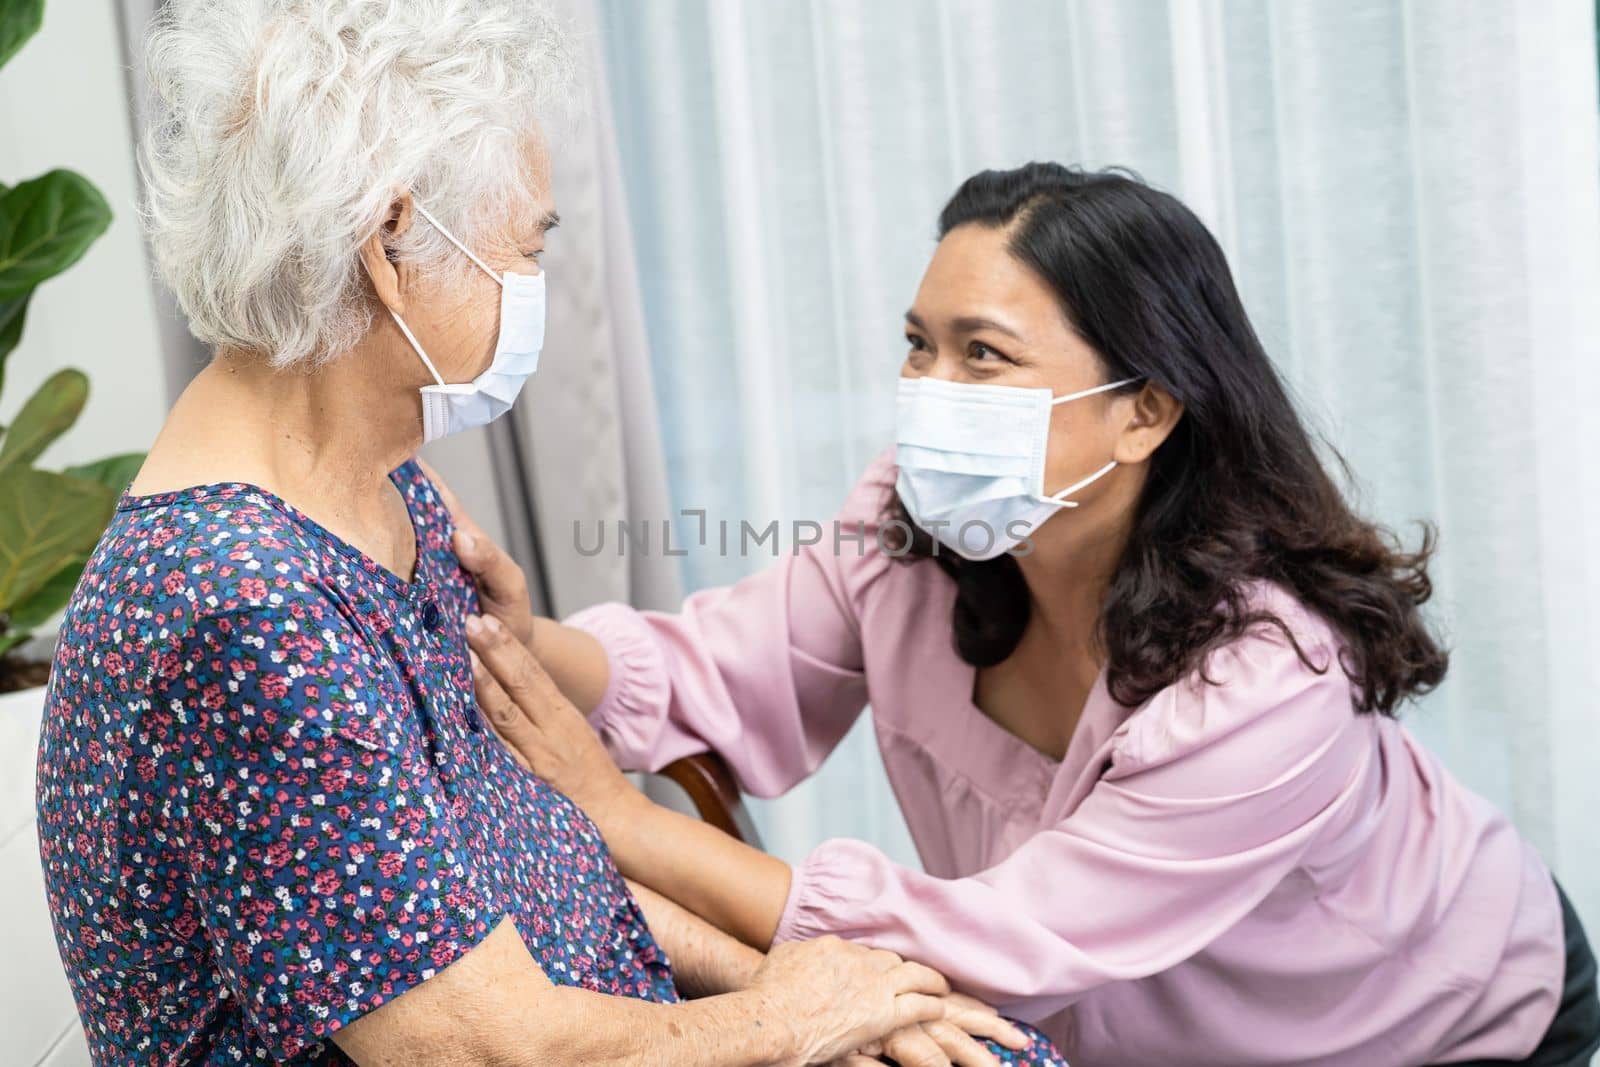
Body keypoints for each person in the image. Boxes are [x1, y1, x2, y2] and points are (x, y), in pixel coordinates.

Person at [34, 3, 1056, 1064]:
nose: (533, 284)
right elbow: (470, 1048)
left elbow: (534, 858)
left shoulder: (382, 500)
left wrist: (793, 987)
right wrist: (789, 1018)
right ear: (390, 242)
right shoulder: (246, 608)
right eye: (523, 247)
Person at [459, 163, 1600, 1066]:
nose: (929, 394)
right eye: (920, 344)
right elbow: (728, 663)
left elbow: (1002, 943)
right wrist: (511, 631)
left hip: (1433, 1014)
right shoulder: (908, 519)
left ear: (1145, 412)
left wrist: (623, 820)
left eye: (984, 356)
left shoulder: (1267, 671)